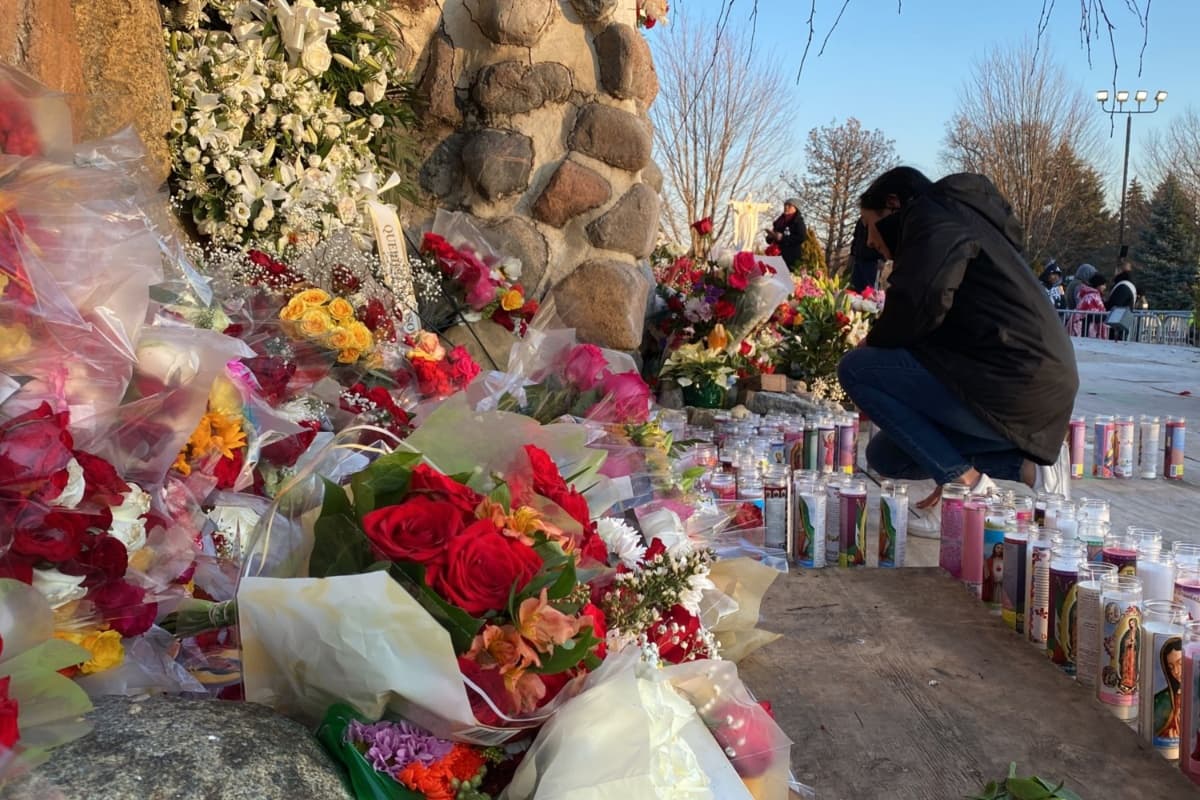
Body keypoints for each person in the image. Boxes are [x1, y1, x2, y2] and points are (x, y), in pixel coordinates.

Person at [836, 167, 1077, 536]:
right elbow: (939, 315)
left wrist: (874, 340)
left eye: (869, 226)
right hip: (1022, 377)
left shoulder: (932, 216)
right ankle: (1029, 468)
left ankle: (965, 489)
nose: (869, 242)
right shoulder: (960, 219)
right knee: (885, 456)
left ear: (893, 205)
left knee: (856, 368)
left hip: (1015, 377)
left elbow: (922, 302)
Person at [1154, 638, 1184, 744]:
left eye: (1180, 663)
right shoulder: (1162, 699)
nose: (1175, 671)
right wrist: (1170, 734)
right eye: (1171, 667)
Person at [764, 198, 806, 268]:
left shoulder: (798, 222)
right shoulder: (779, 221)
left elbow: (801, 237)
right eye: (785, 205)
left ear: (795, 208)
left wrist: (783, 238)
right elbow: (770, 240)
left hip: (791, 257)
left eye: (789, 205)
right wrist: (770, 237)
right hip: (775, 255)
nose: (786, 207)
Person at [849, 216, 884, 292]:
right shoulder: (861, 220)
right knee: (854, 288)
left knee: (869, 290)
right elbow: (855, 239)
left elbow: (884, 240)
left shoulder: (879, 218)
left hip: (872, 261)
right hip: (858, 259)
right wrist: (852, 255)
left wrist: (882, 259)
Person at [1106, 263, 1137, 341]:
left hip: (1118, 325)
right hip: (1121, 324)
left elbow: (1114, 304)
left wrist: (1104, 304)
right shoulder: (1126, 285)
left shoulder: (1123, 286)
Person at [1071, 272, 1108, 338]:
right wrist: (1105, 316)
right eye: (1103, 285)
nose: (1105, 287)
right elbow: (1094, 314)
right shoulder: (1093, 296)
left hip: (1086, 328)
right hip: (1088, 330)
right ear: (1098, 285)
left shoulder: (1089, 295)